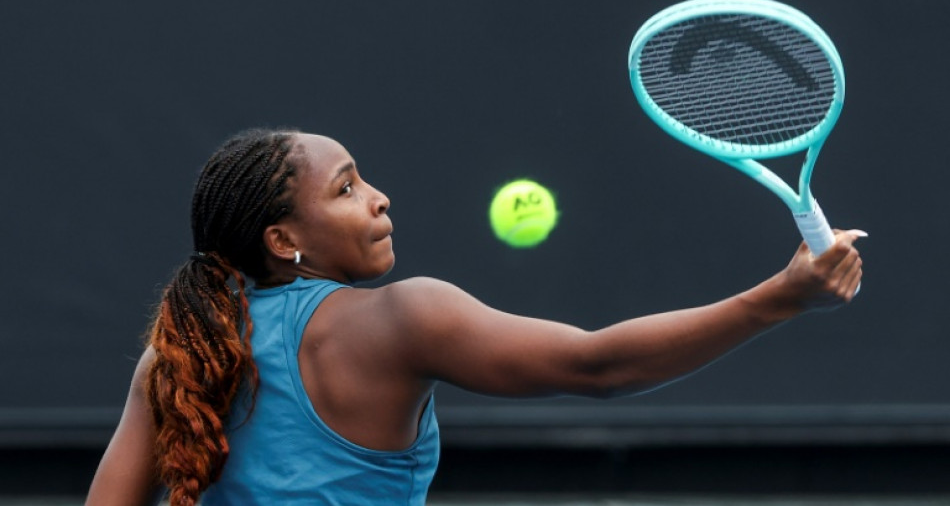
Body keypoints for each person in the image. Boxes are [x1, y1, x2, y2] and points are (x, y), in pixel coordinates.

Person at [86, 128, 864, 506]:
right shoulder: (404, 317)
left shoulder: (174, 359)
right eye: (347, 188)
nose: (379, 196)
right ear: (283, 239)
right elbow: (599, 364)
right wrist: (779, 297)